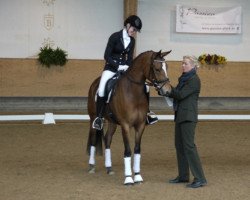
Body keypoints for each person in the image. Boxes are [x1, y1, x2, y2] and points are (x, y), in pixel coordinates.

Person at [92, 15, 158, 130]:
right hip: (111, 68)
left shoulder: (132, 41)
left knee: (146, 87)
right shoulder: (115, 37)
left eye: (136, 31)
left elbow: (129, 58)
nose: (134, 32)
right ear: (127, 25)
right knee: (102, 89)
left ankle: (147, 113)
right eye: (133, 29)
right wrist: (118, 66)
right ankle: (99, 118)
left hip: (125, 69)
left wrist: (128, 66)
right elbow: (106, 55)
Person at [162, 55, 207, 188]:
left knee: (189, 147)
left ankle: (200, 178)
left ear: (193, 66)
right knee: (180, 146)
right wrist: (165, 91)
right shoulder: (184, 79)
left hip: (188, 117)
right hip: (181, 116)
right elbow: (176, 92)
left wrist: (167, 89)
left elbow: (180, 95)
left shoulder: (193, 80)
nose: (183, 65)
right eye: (182, 63)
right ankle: (183, 176)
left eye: (186, 63)